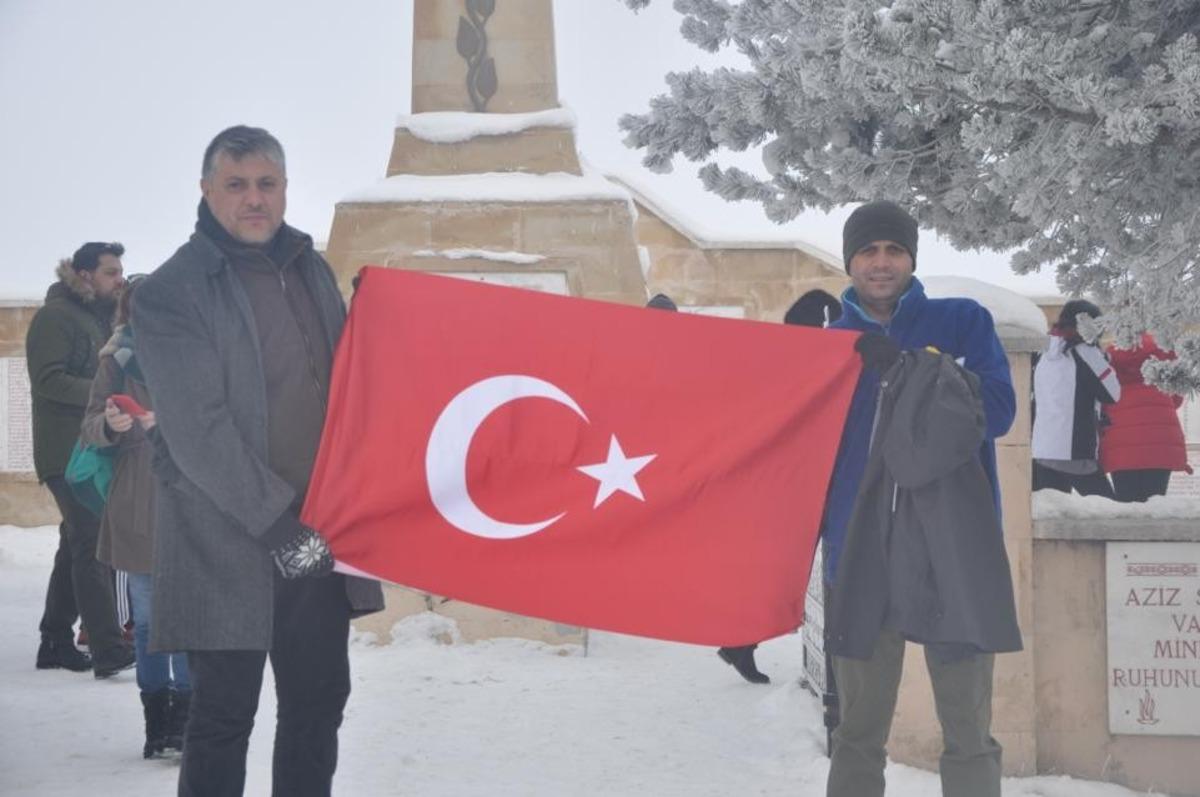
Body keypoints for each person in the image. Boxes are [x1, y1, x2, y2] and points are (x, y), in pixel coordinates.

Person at [131, 125, 384, 797]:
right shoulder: (170, 290)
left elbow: (345, 380)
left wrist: (378, 316)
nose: (254, 200)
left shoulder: (309, 266)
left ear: (285, 189)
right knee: (222, 716)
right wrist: (281, 529)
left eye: (266, 184)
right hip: (228, 540)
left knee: (317, 702)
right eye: (237, 184)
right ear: (207, 190)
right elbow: (197, 430)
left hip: (319, 532)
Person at [822, 201, 1020, 797]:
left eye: (893, 250)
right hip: (857, 550)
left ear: (911, 257)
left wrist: (912, 368)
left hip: (951, 548)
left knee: (967, 726)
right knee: (856, 729)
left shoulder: (961, 322)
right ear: (850, 261)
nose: (880, 264)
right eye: (867, 251)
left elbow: (999, 412)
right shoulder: (830, 344)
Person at [80, 274, 192, 758]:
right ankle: (157, 724)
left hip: (190, 494)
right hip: (137, 497)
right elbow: (89, 425)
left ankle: (187, 722)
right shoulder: (114, 359)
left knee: (188, 618)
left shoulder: (198, 353)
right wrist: (110, 423)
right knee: (147, 622)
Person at [26, 241, 136, 678]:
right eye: (111, 272)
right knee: (91, 542)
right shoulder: (55, 318)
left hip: (89, 450)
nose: (120, 279)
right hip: (64, 453)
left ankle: (54, 639)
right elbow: (48, 380)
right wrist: (103, 395)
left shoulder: (98, 317)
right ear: (85, 275)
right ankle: (108, 647)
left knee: (73, 545)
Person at [1031, 300, 1121, 498]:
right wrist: (1103, 360)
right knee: (1106, 513)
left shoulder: (1042, 351)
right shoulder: (1085, 353)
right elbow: (1112, 394)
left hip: (1042, 448)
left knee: (1053, 515)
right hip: (1075, 448)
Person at [1100, 333, 1193, 501]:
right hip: (1160, 438)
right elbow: (1176, 398)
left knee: (1126, 505)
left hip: (1121, 440)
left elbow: (1102, 395)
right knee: (1154, 504)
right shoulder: (1163, 352)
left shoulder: (1109, 356)